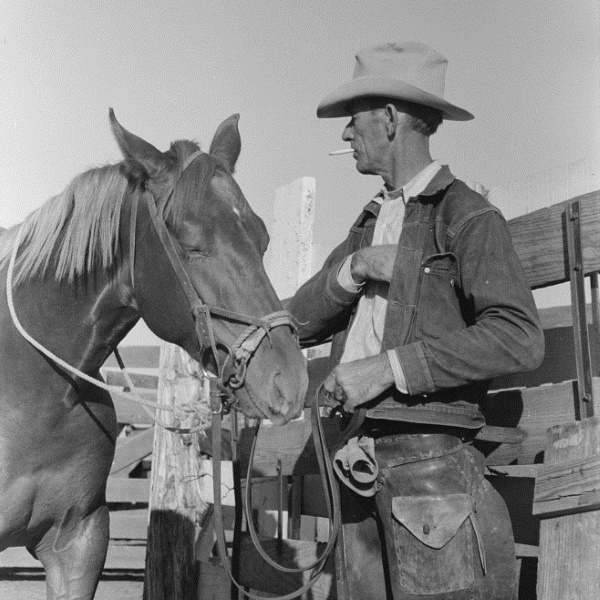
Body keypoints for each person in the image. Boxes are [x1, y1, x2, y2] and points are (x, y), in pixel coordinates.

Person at [289, 42, 544, 600]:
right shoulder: (369, 222)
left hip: (433, 474)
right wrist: (355, 268)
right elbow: (296, 324)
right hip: (359, 467)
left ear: (389, 119)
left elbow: (519, 337)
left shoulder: (468, 217)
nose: (345, 134)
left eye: (354, 118)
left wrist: (388, 367)